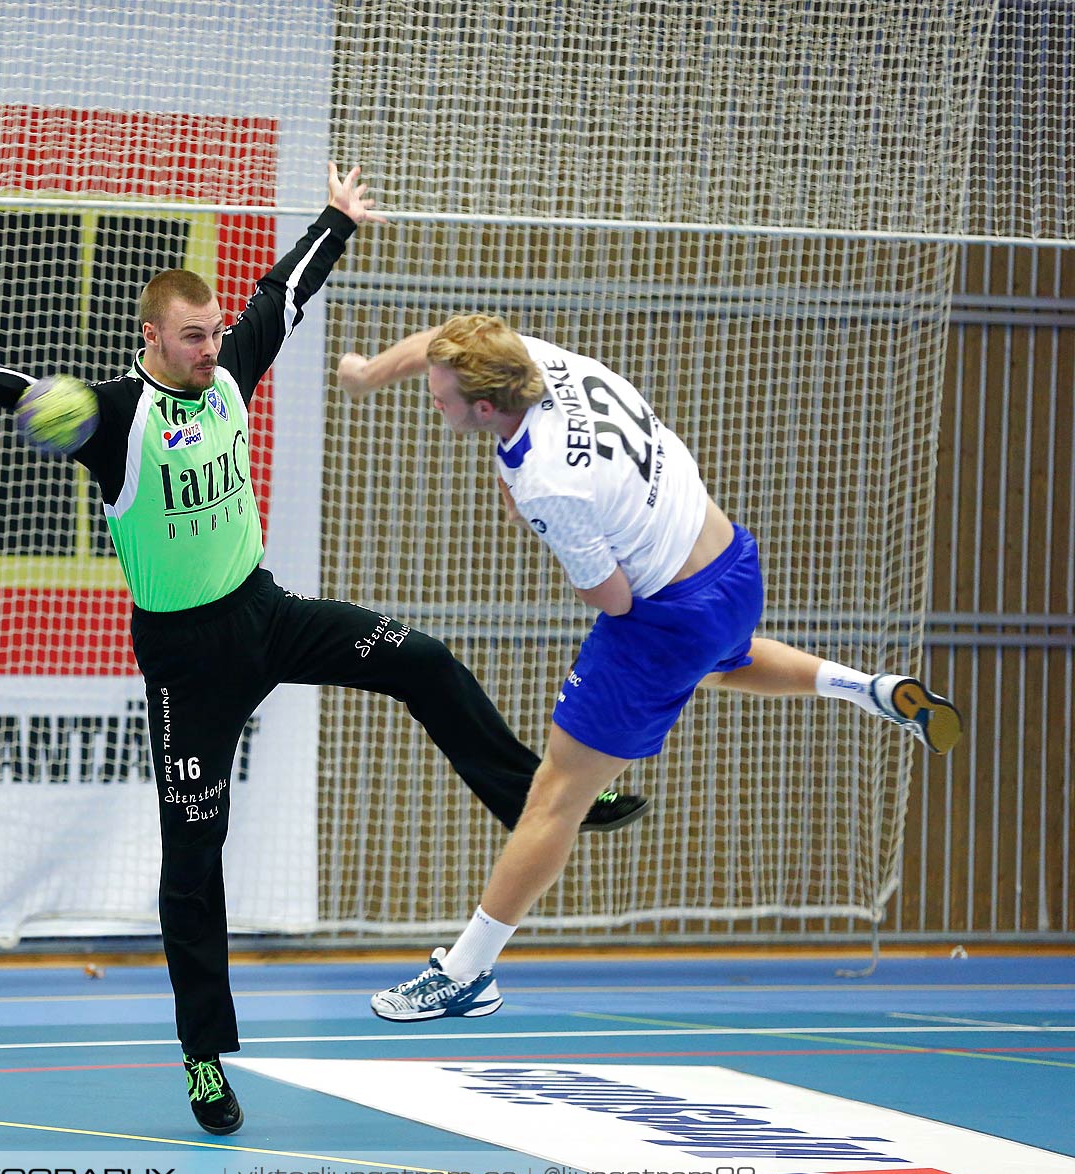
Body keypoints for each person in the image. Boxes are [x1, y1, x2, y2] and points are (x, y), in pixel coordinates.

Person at [0, 167, 644, 1136]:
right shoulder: (114, 416)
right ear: (151, 337)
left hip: (264, 611)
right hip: (186, 660)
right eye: (191, 337)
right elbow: (36, 393)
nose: (210, 348)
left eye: (212, 334)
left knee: (424, 661)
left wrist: (337, 220)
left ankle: (540, 798)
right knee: (194, 863)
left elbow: (281, 294)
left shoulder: (229, 373)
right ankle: (203, 1058)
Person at [338, 315, 965, 1023]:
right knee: (717, 661)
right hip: (730, 560)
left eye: (441, 394)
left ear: (486, 408)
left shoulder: (546, 482)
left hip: (665, 614)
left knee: (555, 795)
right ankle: (869, 689)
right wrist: (366, 374)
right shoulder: (533, 358)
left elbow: (614, 597)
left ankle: (466, 973)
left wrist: (525, 514)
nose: (432, 394)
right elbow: (439, 345)